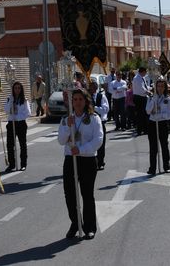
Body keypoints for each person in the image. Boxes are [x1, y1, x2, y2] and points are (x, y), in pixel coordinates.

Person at [57, 88, 104, 240]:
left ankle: (90, 226)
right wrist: (66, 127)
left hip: (87, 160)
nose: (77, 102)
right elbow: (61, 140)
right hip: (70, 160)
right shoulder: (66, 119)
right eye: (75, 99)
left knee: (87, 193)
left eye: (80, 99)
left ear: (85, 101)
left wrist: (81, 150)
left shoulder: (93, 118)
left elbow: (98, 140)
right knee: (69, 194)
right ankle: (75, 222)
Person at [145, 79, 170, 174]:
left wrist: (161, 115)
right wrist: (153, 101)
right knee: (153, 147)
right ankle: (152, 168)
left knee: (164, 145)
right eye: (158, 86)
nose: (160, 88)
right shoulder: (151, 98)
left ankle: (166, 166)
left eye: (162, 86)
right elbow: (148, 111)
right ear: (156, 87)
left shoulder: (168, 99)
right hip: (152, 124)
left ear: (165, 87)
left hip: (162, 124)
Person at [4, 81, 31, 172]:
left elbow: (28, 113)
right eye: (15, 88)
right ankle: (12, 164)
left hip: (21, 124)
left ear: (21, 89)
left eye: (19, 88)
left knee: (22, 144)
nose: (17, 90)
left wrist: (18, 116)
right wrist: (11, 101)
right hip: (11, 124)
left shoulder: (24, 100)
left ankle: (23, 164)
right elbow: (6, 110)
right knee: (10, 145)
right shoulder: (9, 99)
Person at [88, 81, 109, 170]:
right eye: (90, 87)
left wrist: (94, 108)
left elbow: (105, 109)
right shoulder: (87, 97)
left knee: (101, 143)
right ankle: (92, 162)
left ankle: (100, 162)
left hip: (100, 122)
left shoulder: (101, 96)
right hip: (89, 123)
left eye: (92, 87)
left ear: (96, 88)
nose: (90, 89)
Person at [132, 67, 150, 136]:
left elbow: (145, 87)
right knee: (140, 115)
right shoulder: (137, 78)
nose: (146, 73)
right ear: (142, 71)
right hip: (139, 98)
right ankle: (140, 130)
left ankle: (145, 129)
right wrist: (148, 92)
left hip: (142, 97)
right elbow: (141, 89)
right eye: (145, 72)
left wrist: (151, 88)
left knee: (144, 114)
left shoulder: (142, 78)